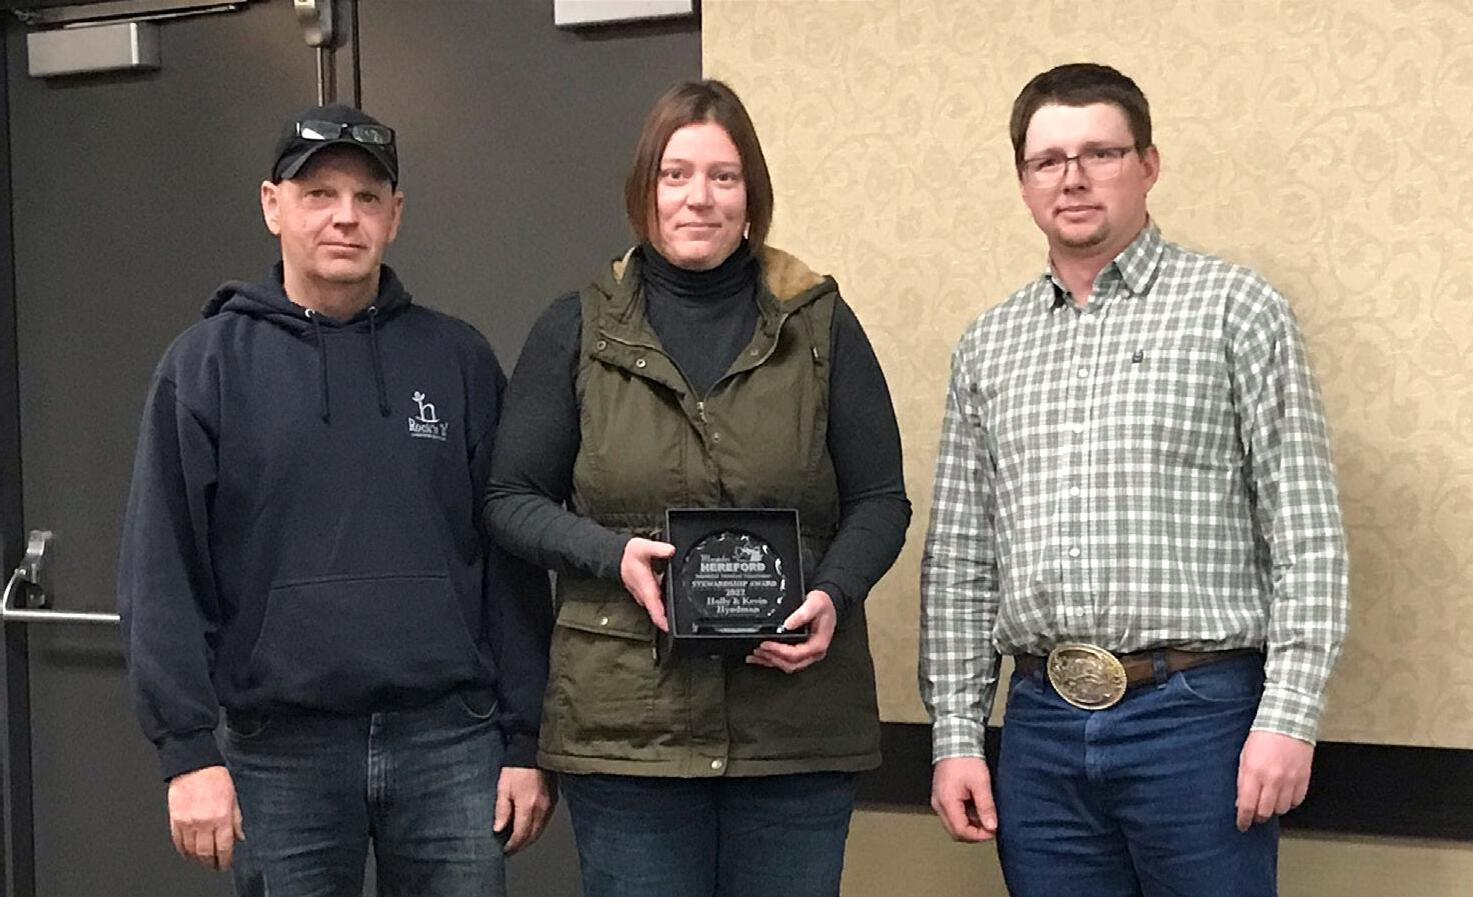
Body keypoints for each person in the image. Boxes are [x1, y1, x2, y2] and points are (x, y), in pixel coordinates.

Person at [920, 63, 1350, 896]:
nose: (1072, 178)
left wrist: (1289, 716)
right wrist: (955, 734)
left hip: (1196, 720)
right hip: (1040, 726)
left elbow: (1305, 535)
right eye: (1047, 160)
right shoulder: (988, 346)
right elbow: (962, 561)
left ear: (1147, 164)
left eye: (1100, 153)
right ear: (1022, 181)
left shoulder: (1234, 309)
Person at [485, 79, 910, 897]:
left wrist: (833, 592)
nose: (698, 197)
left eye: (723, 176)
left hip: (795, 730)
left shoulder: (820, 324)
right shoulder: (575, 327)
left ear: (752, 195)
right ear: (643, 191)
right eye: (675, 174)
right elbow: (510, 498)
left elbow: (880, 501)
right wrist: (611, 553)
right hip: (627, 731)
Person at [118, 103, 555, 897]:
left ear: (395, 215)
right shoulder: (206, 365)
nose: (345, 217)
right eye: (319, 194)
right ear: (272, 205)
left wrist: (526, 740)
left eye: (367, 197)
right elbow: (161, 568)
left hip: (450, 742)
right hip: (279, 750)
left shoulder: (458, 359)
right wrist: (187, 751)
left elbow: (510, 561)